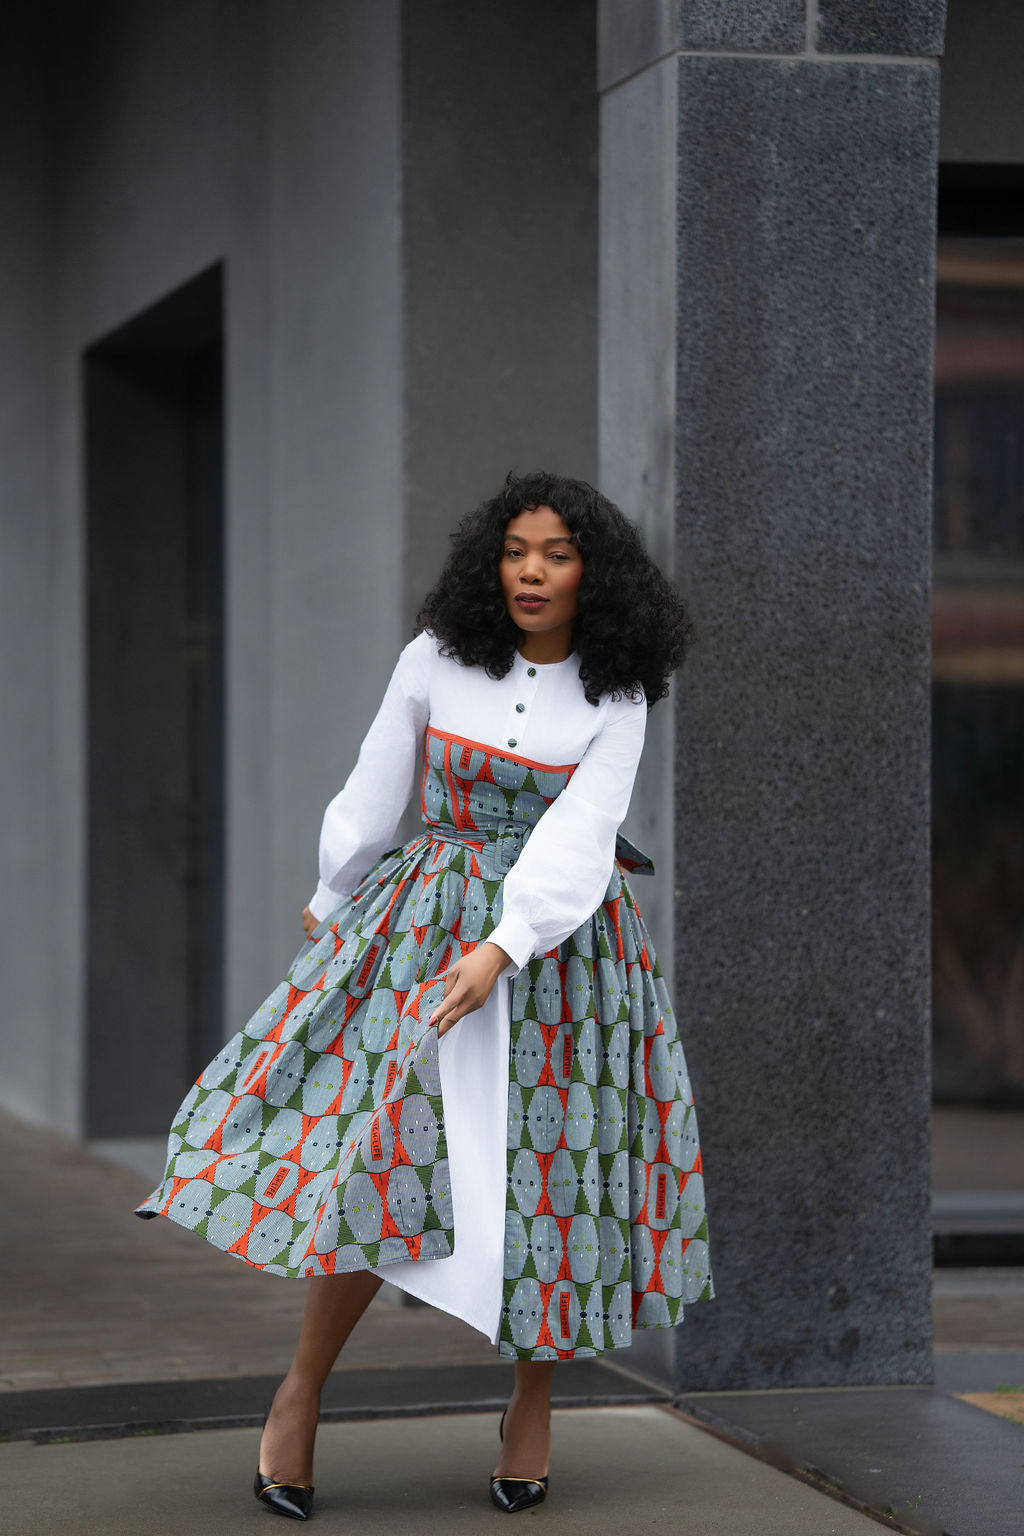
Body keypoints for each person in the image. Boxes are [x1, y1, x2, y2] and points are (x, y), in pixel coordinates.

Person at [136, 470, 714, 1520]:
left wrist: (504, 946)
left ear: (597, 574)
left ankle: (530, 1400)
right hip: (418, 927)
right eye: (514, 551)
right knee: (376, 1150)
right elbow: (374, 778)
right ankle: (300, 1394)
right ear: (489, 564)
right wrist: (333, 885)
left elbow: (582, 836)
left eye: (556, 553)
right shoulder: (436, 658)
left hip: (559, 952)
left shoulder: (616, 689)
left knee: (549, 1174)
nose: (531, 571)